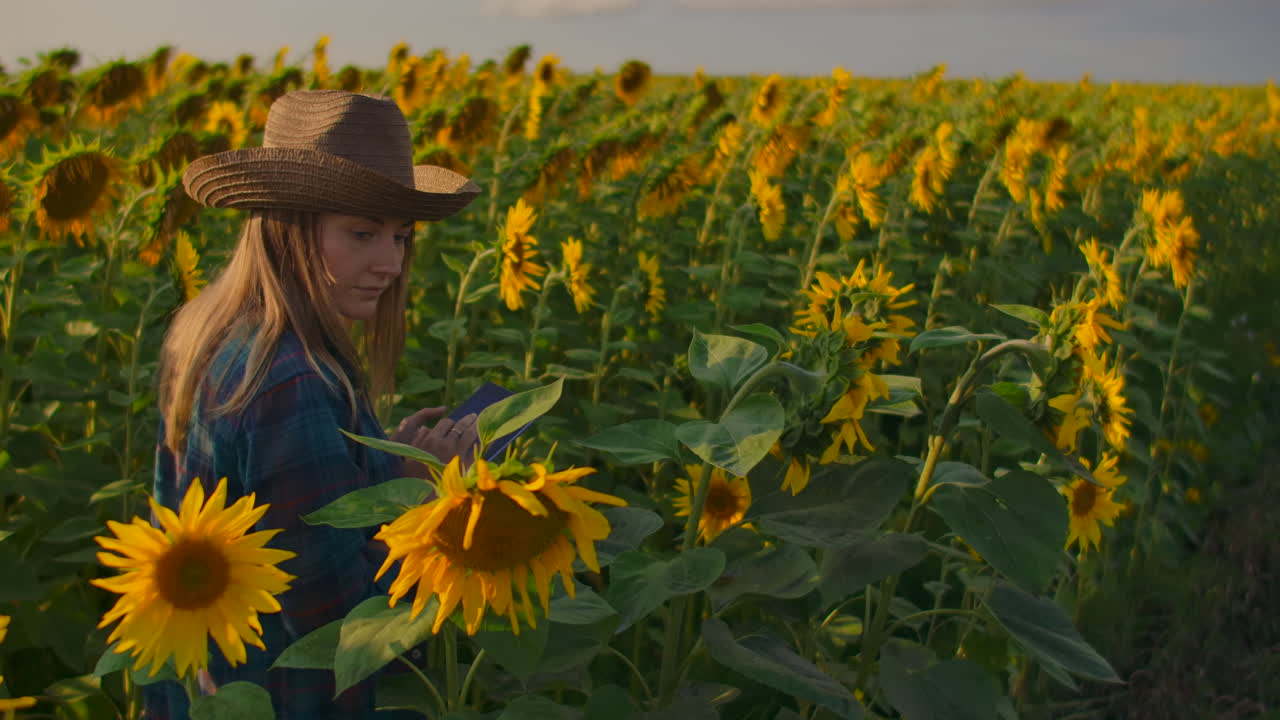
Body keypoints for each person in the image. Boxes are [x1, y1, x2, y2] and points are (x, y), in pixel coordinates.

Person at [144, 89, 482, 718]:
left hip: (208, 686)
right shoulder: (286, 380)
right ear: (289, 226)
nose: (388, 261)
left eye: (400, 237)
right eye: (362, 233)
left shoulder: (214, 329)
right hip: (288, 697)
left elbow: (276, 527)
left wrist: (383, 469)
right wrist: (424, 496)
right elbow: (341, 616)